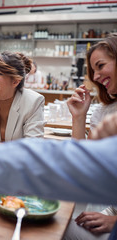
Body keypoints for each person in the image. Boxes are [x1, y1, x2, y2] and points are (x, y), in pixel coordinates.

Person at [65, 33, 117, 240]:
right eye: (93, 70)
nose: (95, 77)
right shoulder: (103, 112)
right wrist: (79, 118)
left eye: (100, 65)